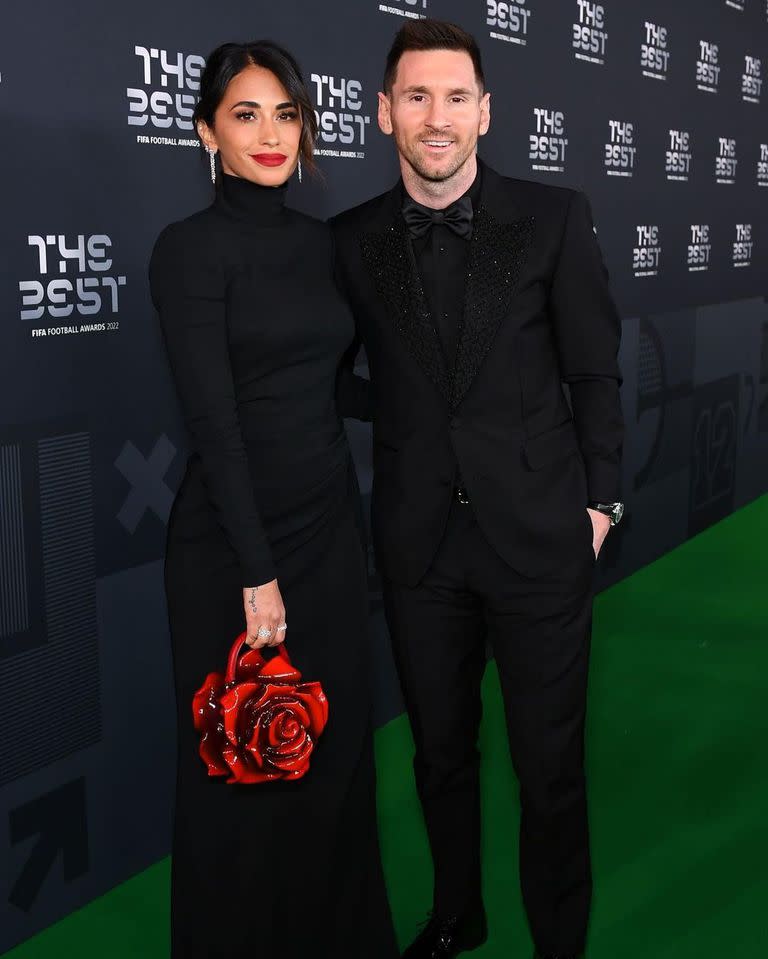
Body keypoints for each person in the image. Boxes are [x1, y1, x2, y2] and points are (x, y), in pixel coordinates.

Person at [331, 19, 624, 959]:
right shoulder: (348, 241)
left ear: (486, 111)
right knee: (440, 756)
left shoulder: (553, 217)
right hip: (421, 545)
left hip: (541, 536)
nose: (437, 116)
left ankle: (559, 944)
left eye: (456, 96)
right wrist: (414, 422)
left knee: (551, 771)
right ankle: (458, 914)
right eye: (416, 96)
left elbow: (594, 371)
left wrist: (603, 502)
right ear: (384, 113)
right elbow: (325, 370)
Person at [148, 40, 397, 959]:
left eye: (285, 115)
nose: (268, 135)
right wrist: (258, 574)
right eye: (245, 115)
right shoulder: (188, 251)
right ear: (207, 131)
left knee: (330, 763)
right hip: (234, 550)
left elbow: (324, 384)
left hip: (329, 535)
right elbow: (215, 419)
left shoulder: (316, 245)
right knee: (241, 775)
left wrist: (431, 406)